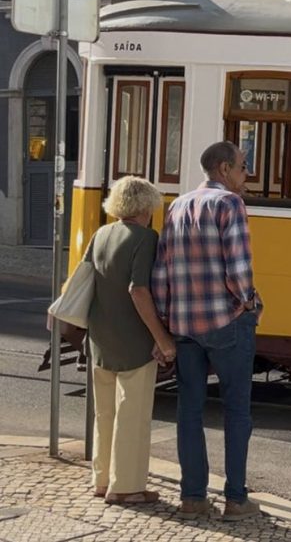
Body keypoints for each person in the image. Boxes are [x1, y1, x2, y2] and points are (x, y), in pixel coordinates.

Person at [152, 141, 262, 522]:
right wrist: (246, 300)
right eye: (243, 167)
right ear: (223, 168)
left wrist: (167, 320)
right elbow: (239, 266)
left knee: (189, 411)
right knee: (236, 411)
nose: (246, 175)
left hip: (183, 327)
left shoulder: (177, 205)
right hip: (225, 323)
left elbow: (162, 271)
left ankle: (193, 497)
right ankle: (235, 499)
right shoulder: (230, 204)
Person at [86, 176, 174, 505]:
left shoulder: (101, 234)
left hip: (100, 338)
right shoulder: (145, 238)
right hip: (134, 341)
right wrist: (161, 338)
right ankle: (126, 487)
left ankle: (101, 479)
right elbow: (139, 290)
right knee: (132, 415)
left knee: (104, 413)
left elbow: (84, 280)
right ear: (145, 207)